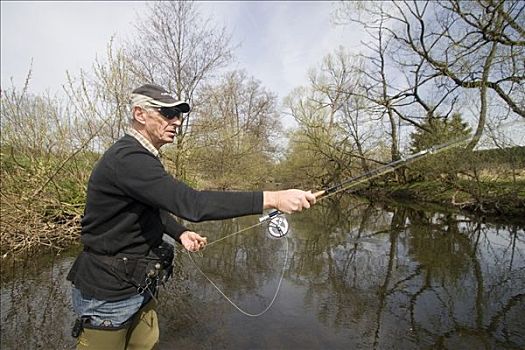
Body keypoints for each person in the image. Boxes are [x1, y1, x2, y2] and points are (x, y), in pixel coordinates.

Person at [67, 83, 316, 349]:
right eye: (167, 113)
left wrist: (180, 233)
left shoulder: (142, 158)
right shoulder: (128, 158)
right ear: (140, 114)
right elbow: (192, 204)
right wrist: (274, 198)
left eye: (179, 115)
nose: (176, 121)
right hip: (108, 296)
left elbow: (151, 209)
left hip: (140, 286)